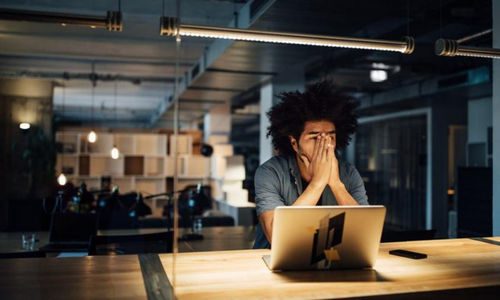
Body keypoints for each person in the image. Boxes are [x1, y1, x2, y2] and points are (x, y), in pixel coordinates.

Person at [253, 80, 369, 249]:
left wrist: (337, 185)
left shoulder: (349, 173)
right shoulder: (269, 172)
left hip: (327, 260)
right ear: (294, 143)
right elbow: (275, 235)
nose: (326, 145)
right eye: (315, 138)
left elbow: (365, 231)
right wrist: (318, 183)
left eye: (331, 137)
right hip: (271, 263)